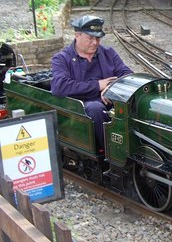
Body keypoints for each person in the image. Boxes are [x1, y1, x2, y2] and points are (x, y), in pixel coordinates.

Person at [51, 15, 133, 152]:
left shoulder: (109, 53)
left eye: (98, 38)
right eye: (90, 38)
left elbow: (127, 74)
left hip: (111, 100)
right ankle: (112, 153)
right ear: (77, 35)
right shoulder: (61, 59)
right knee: (95, 108)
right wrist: (97, 86)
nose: (95, 42)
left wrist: (110, 89)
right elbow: (60, 86)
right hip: (82, 107)